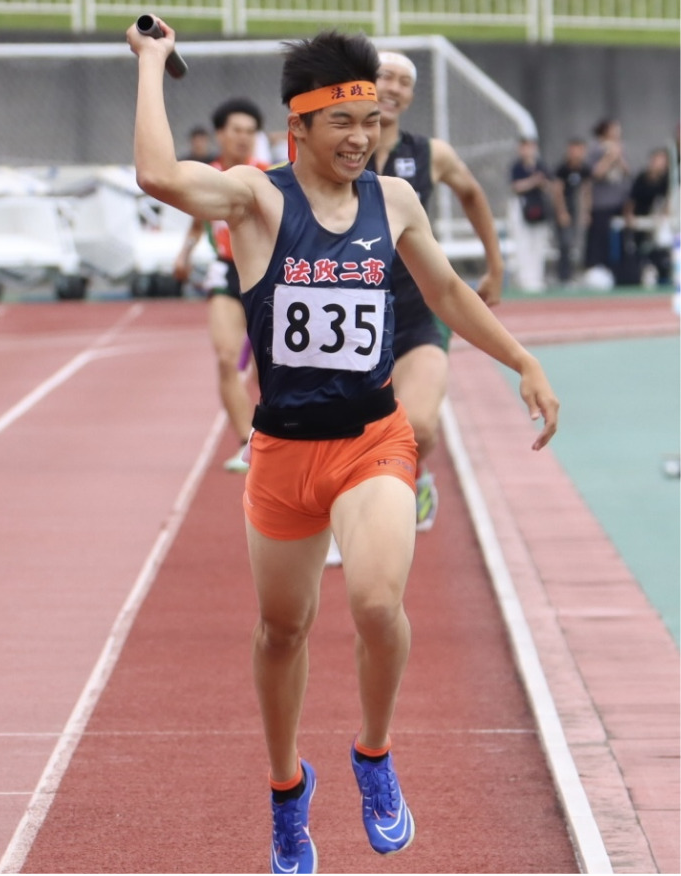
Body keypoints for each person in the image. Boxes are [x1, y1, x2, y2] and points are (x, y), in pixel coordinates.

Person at [127, 22, 559, 874]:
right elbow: (156, 175)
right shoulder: (256, 200)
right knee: (281, 631)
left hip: (371, 439)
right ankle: (286, 789)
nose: (362, 138)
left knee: (373, 603)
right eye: (342, 123)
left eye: (370, 121)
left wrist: (522, 360)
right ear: (299, 126)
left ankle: (373, 753)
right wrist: (148, 65)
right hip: (283, 454)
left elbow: (444, 291)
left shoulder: (392, 201)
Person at [367, 49, 504, 541]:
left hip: (417, 307)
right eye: (384, 77)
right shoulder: (339, 144)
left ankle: (417, 474)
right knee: (353, 433)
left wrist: (495, 264)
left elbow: (471, 193)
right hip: (354, 311)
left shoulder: (431, 154)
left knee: (419, 426)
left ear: (411, 95)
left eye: (404, 82)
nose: (393, 88)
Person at [172, 98, 273, 474]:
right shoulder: (206, 175)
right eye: (236, 130)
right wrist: (184, 254)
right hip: (226, 272)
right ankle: (247, 443)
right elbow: (197, 222)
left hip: (266, 276)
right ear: (220, 134)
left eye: (250, 132)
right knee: (227, 358)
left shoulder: (268, 176)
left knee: (269, 368)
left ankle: (275, 435)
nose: (244, 138)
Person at [584, 119, 631, 282]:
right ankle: (597, 273)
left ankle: (620, 273)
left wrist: (619, 156)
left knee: (620, 239)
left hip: (619, 201)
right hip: (601, 204)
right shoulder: (596, 148)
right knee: (599, 240)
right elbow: (594, 173)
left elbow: (627, 172)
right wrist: (610, 157)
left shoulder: (620, 147)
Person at [509, 136, 554, 293]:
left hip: (539, 207)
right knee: (524, 243)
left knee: (538, 243)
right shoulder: (517, 167)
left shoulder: (541, 166)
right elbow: (516, 187)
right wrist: (533, 181)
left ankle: (537, 278)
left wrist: (541, 183)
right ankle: (525, 279)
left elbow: (550, 185)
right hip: (523, 207)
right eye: (524, 147)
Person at [623, 147, 673, 287]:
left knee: (661, 246)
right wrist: (629, 215)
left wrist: (664, 214)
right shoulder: (641, 178)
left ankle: (663, 273)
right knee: (638, 247)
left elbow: (668, 200)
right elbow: (631, 200)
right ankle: (641, 273)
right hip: (640, 218)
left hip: (657, 219)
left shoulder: (667, 179)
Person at [551, 137, 592, 287]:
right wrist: (562, 212)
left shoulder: (584, 169)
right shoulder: (562, 169)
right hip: (563, 208)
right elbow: (557, 191)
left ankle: (574, 273)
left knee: (576, 242)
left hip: (575, 208)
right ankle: (563, 276)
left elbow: (587, 191)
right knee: (564, 242)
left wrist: (586, 212)